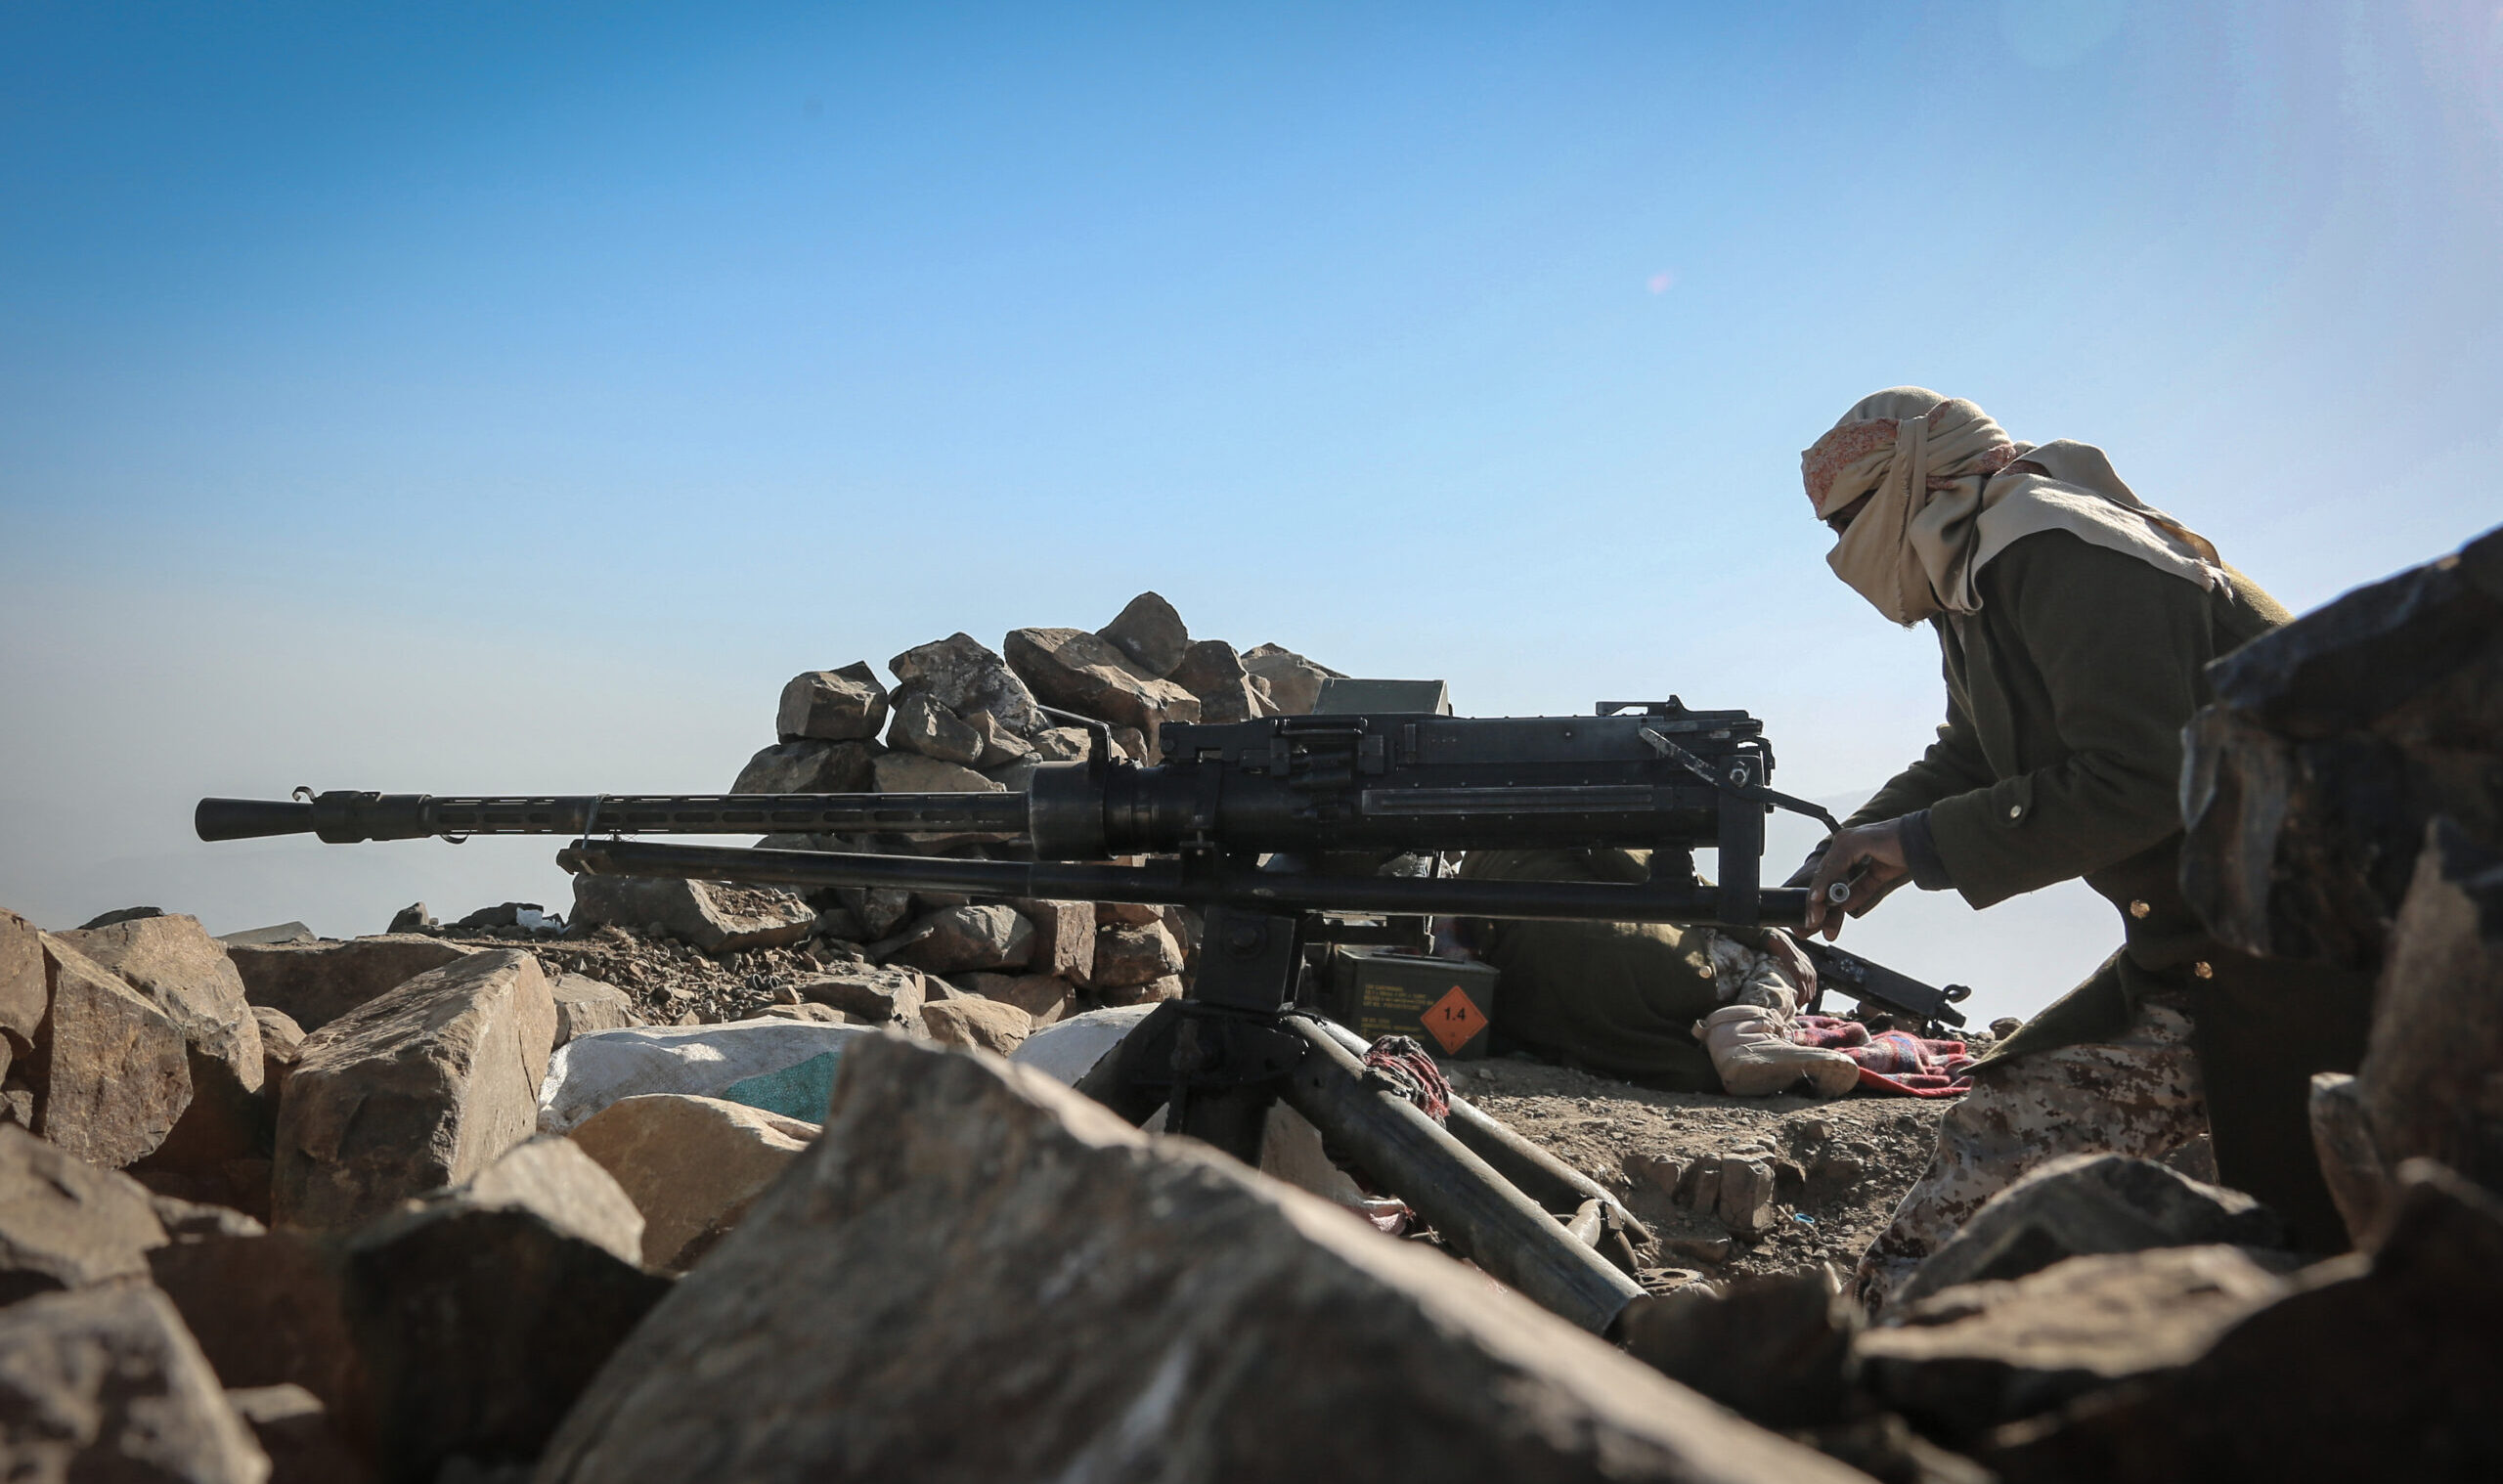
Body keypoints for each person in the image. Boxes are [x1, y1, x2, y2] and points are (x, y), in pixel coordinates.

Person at [1790, 387, 2374, 1306]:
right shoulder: (1975, 563)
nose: (1840, 551)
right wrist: (1852, 850)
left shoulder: (2052, 545)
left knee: (2329, 1247)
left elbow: (2142, 776)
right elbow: (1976, 749)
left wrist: (1919, 842)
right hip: (2211, 931)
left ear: (1913, 483)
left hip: (2322, 933)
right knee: (2012, 1121)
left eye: (1850, 519)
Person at [1454, 847, 1857, 1097]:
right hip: (1643, 964)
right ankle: (1746, 1034)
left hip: (1533, 1004)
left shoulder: (1473, 853)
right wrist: (1768, 933)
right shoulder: (1586, 813)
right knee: (1774, 962)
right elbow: (1669, 885)